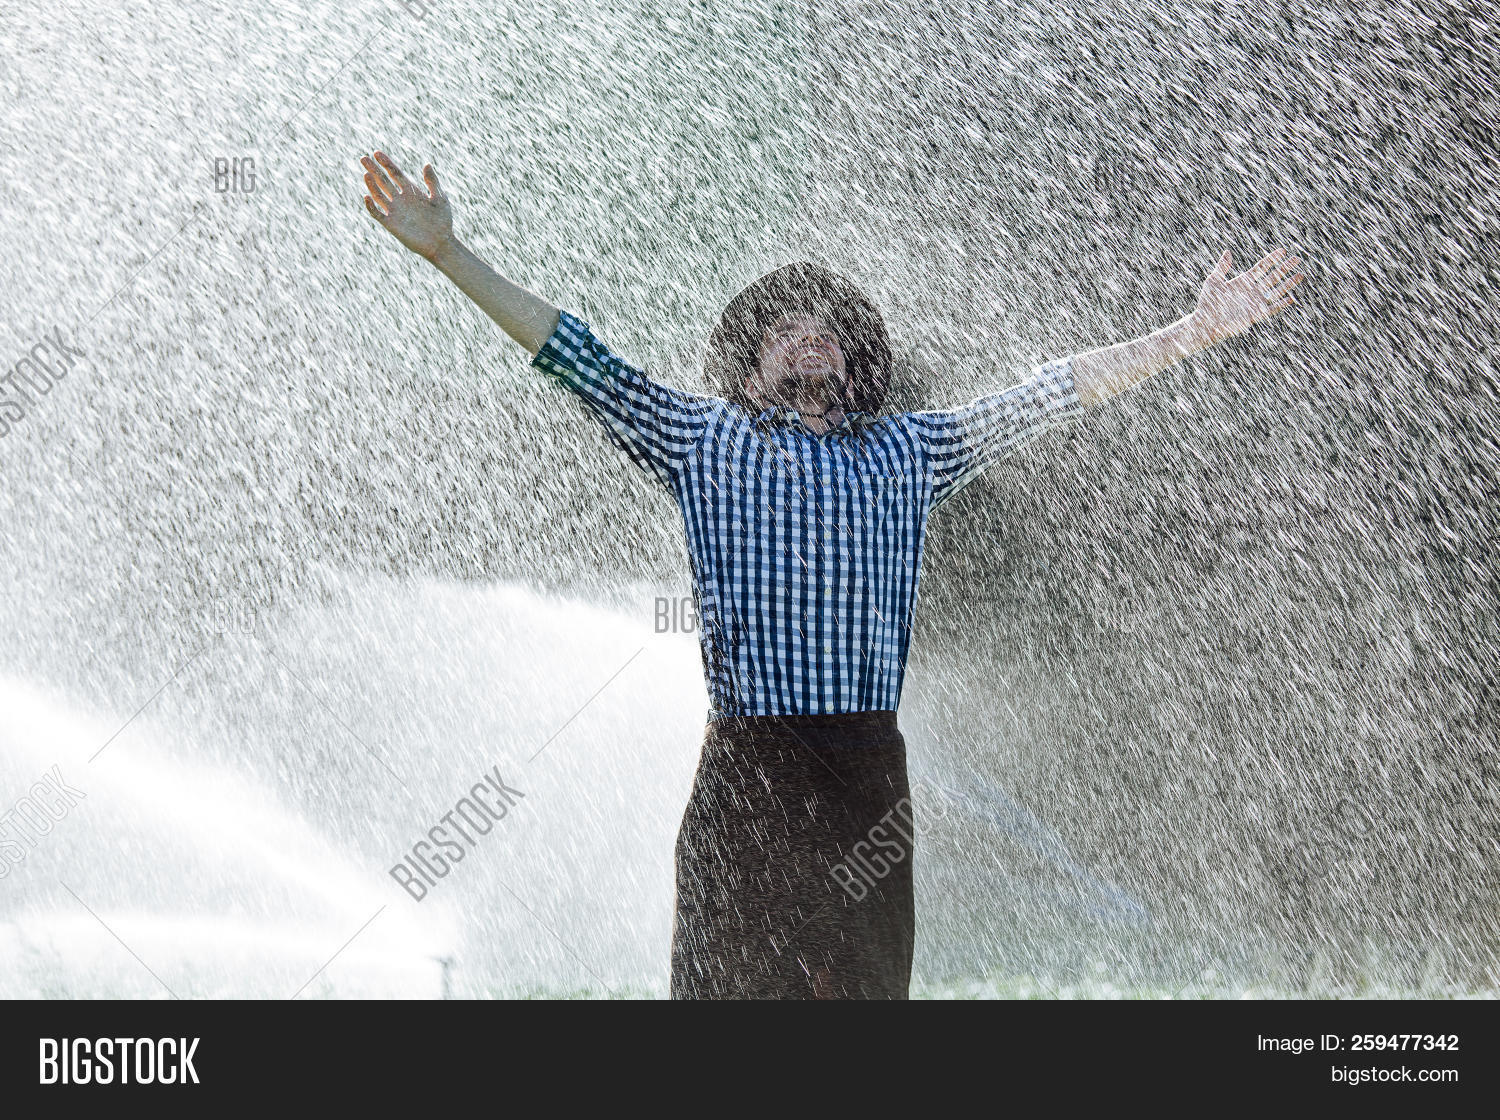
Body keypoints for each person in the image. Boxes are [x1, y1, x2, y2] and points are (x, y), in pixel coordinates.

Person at [358, 150, 1304, 999]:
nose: (808, 339)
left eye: (828, 332)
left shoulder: (913, 450)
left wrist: (1187, 333)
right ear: (752, 360)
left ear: (855, 363)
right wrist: (448, 254)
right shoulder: (701, 440)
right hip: (747, 770)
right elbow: (576, 357)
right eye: (785, 331)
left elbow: (1051, 393)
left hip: (863, 775)